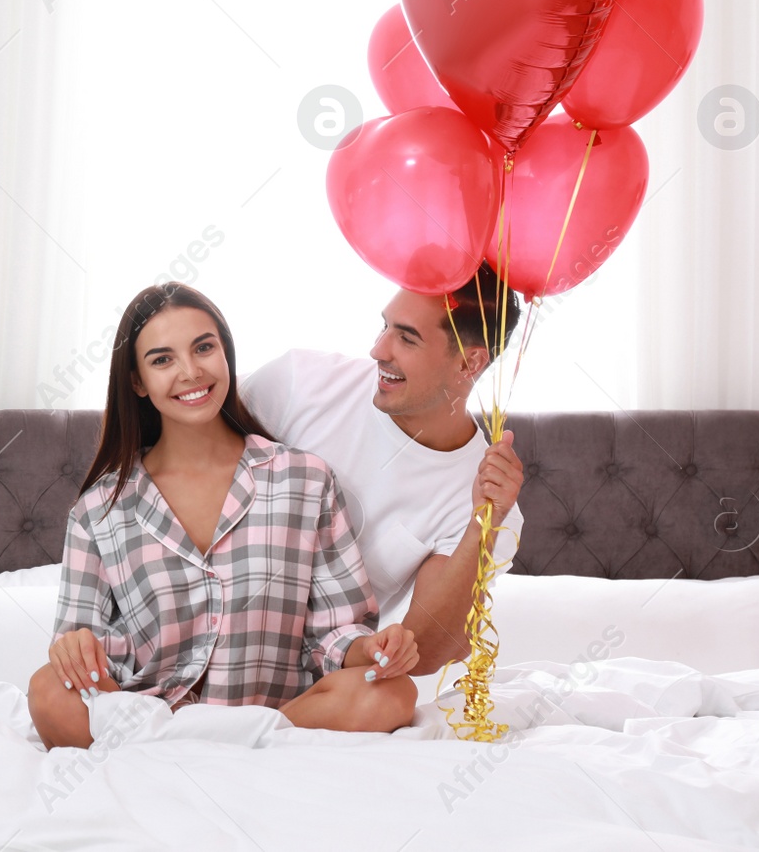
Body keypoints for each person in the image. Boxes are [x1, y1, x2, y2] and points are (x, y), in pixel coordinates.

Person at [27, 283, 419, 750]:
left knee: (394, 690)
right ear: (137, 381)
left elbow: (336, 631)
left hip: (279, 715)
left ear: (226, 354)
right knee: (48, 689)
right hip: (152, 713)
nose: (191, 372)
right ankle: (197, 749)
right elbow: (82, 645)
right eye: (162, 359)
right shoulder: (99, 510)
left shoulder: (305, 480)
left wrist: (374, 649)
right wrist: (75, 649)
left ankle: (223, 748)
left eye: (204, 348)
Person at [241, 262, 527, 677]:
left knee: (392, 695)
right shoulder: (301, 382)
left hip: (320, 670)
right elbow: (177, 432)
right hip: (211, 616)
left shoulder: (486, 500)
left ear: (469, 364)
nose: (378, 349)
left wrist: (483, 522)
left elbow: (427, 652)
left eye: (406, 338)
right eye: (385, 326)